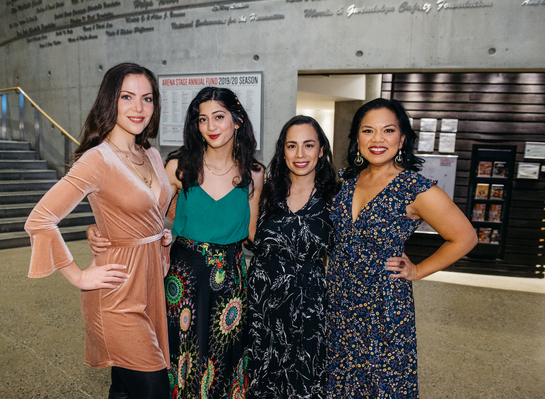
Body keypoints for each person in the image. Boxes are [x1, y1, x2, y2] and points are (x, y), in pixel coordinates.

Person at [87, 87, 264, 398]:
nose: (211, 127)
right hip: (182, 278)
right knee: (176, 357)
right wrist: (101, 228)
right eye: (202, 119)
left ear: (237, 121)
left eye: (219, 117)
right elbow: (141, 213)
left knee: (222, 361)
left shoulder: (254, 174)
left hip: (231, 284)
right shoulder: (177, 167)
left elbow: (252, 233)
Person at [25, 63, 172, 399]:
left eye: (147, 98)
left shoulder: (150, 154)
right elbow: (40, 218)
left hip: (151, 286)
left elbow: (152, 210)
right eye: (127, 97)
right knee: (154, 391)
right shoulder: (97, 159)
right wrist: (78, 276)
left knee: (123, 388)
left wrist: (161, 235)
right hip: (117, 293)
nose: (139, 108)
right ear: (110, 100)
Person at [326, 98, 477, 398]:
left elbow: (465, 237)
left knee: (381, 385)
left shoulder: (415, 188)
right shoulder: (344, 182)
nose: (378, 139)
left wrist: (418, 270)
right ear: (357, 138)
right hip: (339, 302)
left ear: (402, 138)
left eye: (388, 130)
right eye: (368, 131)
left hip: (383, 307)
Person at [247, 116, 338, 399]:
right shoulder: (266, 190)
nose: (300, 154)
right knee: (261, 376)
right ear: (282, 150)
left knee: (304, 379)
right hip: (262, 299)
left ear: (321, 150)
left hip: (309, 302)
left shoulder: (336, 196)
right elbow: (249, 235)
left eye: (308, 145)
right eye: (292, 146)